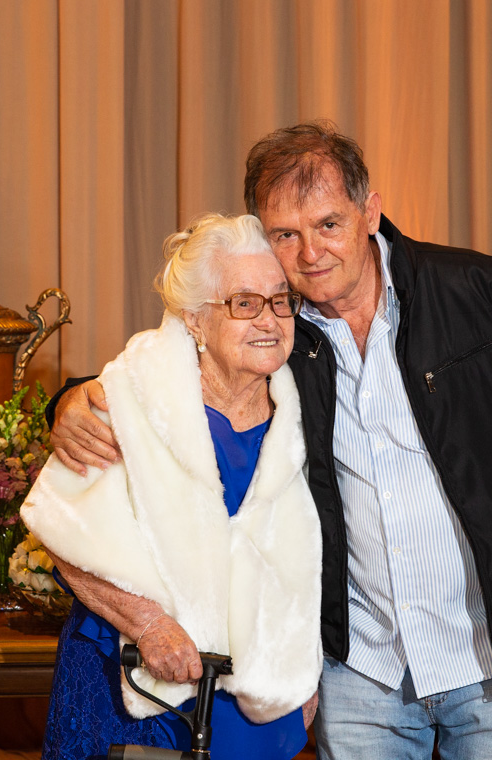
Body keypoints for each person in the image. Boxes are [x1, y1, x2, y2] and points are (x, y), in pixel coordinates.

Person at [48, 122, 492, 760]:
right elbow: (159, 368)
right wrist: (70, 399)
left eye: (328, 224)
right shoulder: (271, 331)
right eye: (284, 234)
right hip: (360, 673)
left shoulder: (484, 293)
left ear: (369, 212)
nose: (310, 253)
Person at [21, 213, 322, 760]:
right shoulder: (127, 397)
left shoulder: (307, 405)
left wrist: (302, 665)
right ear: (195, 320)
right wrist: (148, 624)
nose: (270, 320)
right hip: (134, 686)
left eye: (281, 301)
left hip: (258, 699)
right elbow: (59, 529)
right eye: (245, 303)